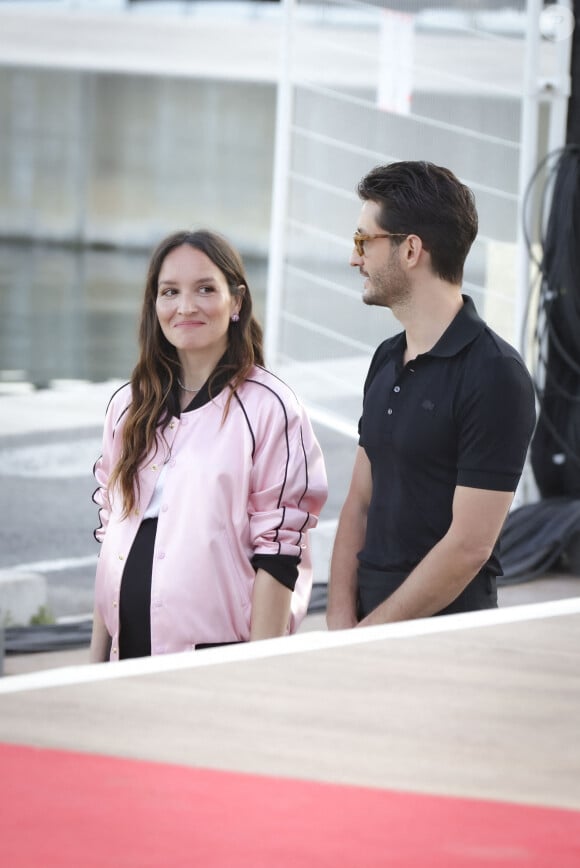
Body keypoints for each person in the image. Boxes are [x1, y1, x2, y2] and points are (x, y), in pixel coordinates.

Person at [90, 229, 328, 661]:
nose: (185, 306)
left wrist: (258, 665)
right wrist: (94, 661)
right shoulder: (128, 405)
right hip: (127, 654)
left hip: (219, 655)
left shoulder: (269, 407)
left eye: (205, 289)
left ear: (236, 301)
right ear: (154, 303)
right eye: (170, 292)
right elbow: (112, 538)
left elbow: (277, 550)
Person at [326, 161, 536, 629]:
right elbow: (359, 501)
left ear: (411, 250)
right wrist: (341, 625)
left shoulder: (497, 375)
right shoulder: (385, 358)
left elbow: (469, 546)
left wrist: (370, 634)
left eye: (364, 240)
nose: (354, 258)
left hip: (447, 641)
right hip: (365, 633)